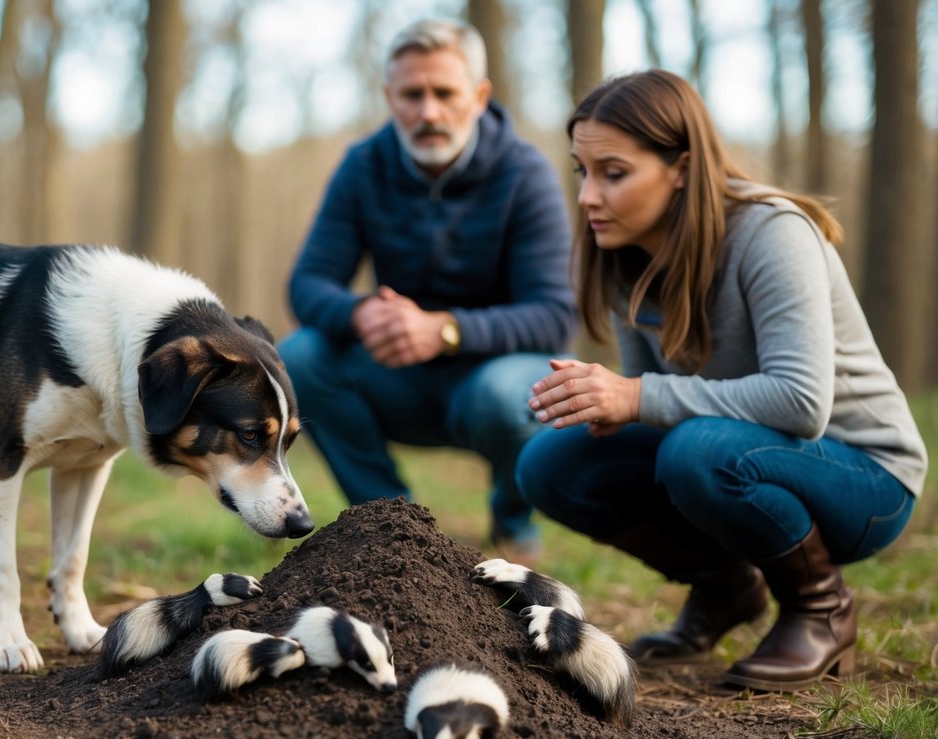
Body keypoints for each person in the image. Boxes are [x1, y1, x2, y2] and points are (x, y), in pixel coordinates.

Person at [515, 69, 927, 692]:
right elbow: (654, 396)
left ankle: (821, 608)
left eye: (614, 173)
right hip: (734, 452)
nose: (588, 197)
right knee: (551, 464)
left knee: (696, 451)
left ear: (680, 167)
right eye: (582, 171)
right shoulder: (627, 253)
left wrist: (637, 395)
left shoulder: (772, 231)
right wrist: (610, 404)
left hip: (866, 476)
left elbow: (801, 402)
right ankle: (727, 587)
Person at [278, 19, 575, 561]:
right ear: (390, 96)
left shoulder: (524, 172)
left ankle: (512, 521)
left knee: (511, 395)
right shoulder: (363, 165)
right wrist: (362, 313)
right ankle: (398, 529)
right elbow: (306, 285)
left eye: (445, 93)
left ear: (479, 97)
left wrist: (445, 329)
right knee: (299, 354)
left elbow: (554, 315)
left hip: (495, 378)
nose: (428, 112)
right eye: (412, 95)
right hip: (398, 375)